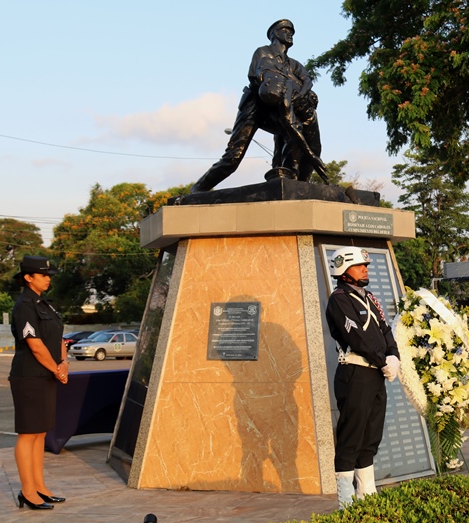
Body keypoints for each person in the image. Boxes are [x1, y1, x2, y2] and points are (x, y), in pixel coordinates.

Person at [191, 19, 325, 193]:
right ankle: (198, 189)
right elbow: (266, 79)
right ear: (275, 33)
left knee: (294, 135)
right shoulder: (263, 53)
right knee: (233, 157)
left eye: (292, 31)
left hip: (279, 108)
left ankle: (291, 182)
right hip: (256, 108)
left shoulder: (293, 64)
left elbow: (307, 81)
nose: (290, 34)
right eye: (286, 30)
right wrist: (293, 85)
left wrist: (300, 93)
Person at [325, 246, 400, 509]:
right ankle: (346, 501)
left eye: (365, 266)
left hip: (375, 373)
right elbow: (356, 337)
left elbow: (385, 330)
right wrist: (383, 360)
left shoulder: (369, 298)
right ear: (344, 270)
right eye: (359, 266)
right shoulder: (339, 300)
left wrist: (394, 356)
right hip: (355, 372)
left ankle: (367, 495)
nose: (365, 270)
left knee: (371, 436)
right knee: (352, 436)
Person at [9, 255, 69, 510]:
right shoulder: (24, 306)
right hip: (29, 377)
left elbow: (59, 338)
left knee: (40, 433)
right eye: (43, 275)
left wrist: (64, 363)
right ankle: (27, 491)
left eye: (49, 275)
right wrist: (57, 369)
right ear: (28, 277)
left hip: (47, 375)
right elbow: (34, 345)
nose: (48, 279)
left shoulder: (46, 304)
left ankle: (40, 487)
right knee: (28, 434)